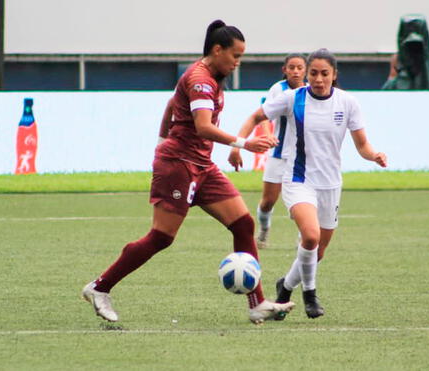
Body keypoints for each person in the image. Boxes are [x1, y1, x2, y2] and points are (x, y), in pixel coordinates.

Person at [81, 20, 295, 325]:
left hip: (202, 166)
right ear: (217, 50)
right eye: (235, 55)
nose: (238, 62)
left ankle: (256, 303)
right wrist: (244, 143)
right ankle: (99, 287)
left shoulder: (209, 76)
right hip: (179, 165)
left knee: (243, 224)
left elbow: (171, 105)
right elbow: (203, 126)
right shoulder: (201, 80)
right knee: (161, 237)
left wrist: (159, 143)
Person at [229, 48, 387, 319]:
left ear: (334, 75)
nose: (318, 79)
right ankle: (310, 294)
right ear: (307, 74)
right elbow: (256, 117)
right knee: (310, 237)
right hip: (298, 180)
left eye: (325, 73)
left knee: (318, 251)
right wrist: (237, 145)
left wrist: (374, 155)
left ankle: (285, 286)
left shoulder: (348, 103)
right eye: (313, 73)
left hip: (331, 185)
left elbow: (362, 144)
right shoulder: (293, 99)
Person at [231, 54, 307, 249]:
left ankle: (304, 238)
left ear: (305, 70)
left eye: (300, 67)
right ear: (285, 70)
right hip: (278, 154)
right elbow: (264, 116)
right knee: (267, 202)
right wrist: (267, 136)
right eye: (292, 67)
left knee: (301, 202)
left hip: (302, 158)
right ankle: (264, 231)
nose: (296, 71)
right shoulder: (278, 89)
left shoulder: (311, 92)